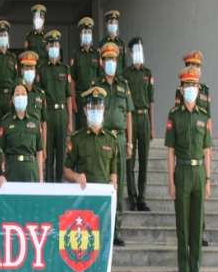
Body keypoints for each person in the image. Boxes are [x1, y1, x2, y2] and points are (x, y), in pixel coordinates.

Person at [165, 66, 212, 272]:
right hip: (182, 171)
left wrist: (209, 179)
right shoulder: (174, 115)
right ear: (181, 89)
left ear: (198, 88)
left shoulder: (203, 116)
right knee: (183, 227)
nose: (191, 89)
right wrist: (170, 181)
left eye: (194, 85)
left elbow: (207, 150)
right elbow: (170, 151)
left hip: (199, 172)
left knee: (196, 228)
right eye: (187, 86)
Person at [95, 42, 133, 246]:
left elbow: (129, 114)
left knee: (119, 185)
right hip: (103, 139)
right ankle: (103, 227)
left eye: (113, 59)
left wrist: (130, 142)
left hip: (119, 139)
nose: (111, 62)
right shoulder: (96, 85)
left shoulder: (124, 85)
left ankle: (116, 229)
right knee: (103, 182)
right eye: (107, 59)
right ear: (102, 62)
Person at [174, 50, 213, 246]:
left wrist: (209, 144)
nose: (195, 68)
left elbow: (208, 119)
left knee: (200, 197)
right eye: (191, 65)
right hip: (186, 146)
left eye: (197, 66)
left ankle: (200, 232)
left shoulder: (205, 90)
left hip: (201, 142)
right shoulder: (181, 90)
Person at [64, 86, 119, 194]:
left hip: (104, 196)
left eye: (98, 108)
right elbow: (66, 171)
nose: (95, 111)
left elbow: (113, 171)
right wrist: (76, 177)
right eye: (92, 108)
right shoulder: (77, 139)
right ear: (85, 111)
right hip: (84, 195)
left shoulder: (111, 139)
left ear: (103, 110)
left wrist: (113, 181)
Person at [124, 37, 155, 211]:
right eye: (135, 50)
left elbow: (151, 101)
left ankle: (142, 198)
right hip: (131, 118)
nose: (138, 53)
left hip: (144, 119)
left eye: (140, 49)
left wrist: (152, 126)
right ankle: (132, 197)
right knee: (130, 160)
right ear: (130, 53)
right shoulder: (126, 74)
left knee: (144, 161)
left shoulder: (148, 73)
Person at [40, 30, 72, 183]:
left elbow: (68, 96)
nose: (54, 47)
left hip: (62, 115)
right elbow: (40, 95)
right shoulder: (42, 69)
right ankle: (48, 186)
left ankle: (59, 184)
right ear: (47, 47)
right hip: (48, 114)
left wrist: (70, 121)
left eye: (56, 45)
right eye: (51, 45)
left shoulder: (65, 69)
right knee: (48, 155)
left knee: (61, 155)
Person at [0, 83, 44, 183]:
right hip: (12, 170)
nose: (20, 97)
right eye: (17, 94)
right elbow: (1, 150)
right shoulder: (6, 121)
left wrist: (40, 176)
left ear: (27, 98)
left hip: (31, 170)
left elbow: (39, 151)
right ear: (13, 99)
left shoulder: (35, 121)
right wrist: (3, 172)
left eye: (23, 94)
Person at [70, 17, 100, 130]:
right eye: (84, 32)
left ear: (92, 34)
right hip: (80, 98)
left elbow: (100, 76)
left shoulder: (96, 54)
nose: (86, 34)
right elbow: (72, 79)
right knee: (81, 128)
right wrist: (73, 100)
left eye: (88, 32)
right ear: (80, 35)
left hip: (94, 97)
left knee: (94, 127)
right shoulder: (76, 54)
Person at [18, 51, 47, 145]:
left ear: (35, 71)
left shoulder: (40, 94)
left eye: (32, 68)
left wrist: (44, 148)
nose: (29, 71)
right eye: (27, 68)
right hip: (21, 141)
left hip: (36, 142)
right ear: (22, 71)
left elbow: (43, 123)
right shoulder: (16, 93)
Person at [99, 10, 125, 77]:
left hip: (119, 78)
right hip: (106, 78)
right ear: (107, 25)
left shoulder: (121, 43)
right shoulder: (102, 43)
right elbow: (100, 64)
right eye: (110, 23)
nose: (113, 25)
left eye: (115, 23)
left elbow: (124, 64)